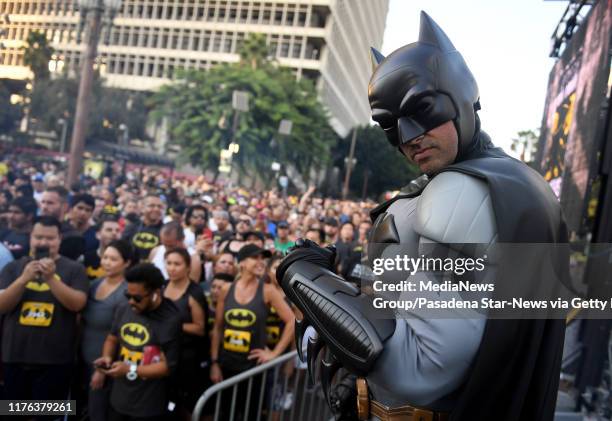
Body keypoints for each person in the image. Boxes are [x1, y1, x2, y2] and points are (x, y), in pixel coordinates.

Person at [276, 12, 568, 421]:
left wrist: (306, 280)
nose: (409, 136)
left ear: (462, 98)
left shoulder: (461, 193)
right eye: (389, 125)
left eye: (422, 109)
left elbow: (423, 367)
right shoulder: (515, 182)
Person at [0, 216, 88, 404]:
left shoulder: (75, 269)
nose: (43, 242)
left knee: (47, 414)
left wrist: (50, 278)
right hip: (14, 356)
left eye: (50, 238)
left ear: (59, 239)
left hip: (56, 360)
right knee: (13, 413)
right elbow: (2, 306)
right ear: (31, 237)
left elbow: (77, 304)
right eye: (38, 237)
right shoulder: (13, 267)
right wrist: (23, 279)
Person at [210, 244, 295, 419]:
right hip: (227, 366)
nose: (260, 262)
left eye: (262, 258)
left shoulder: (268, 291)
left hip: (253, 369)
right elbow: (218, 328)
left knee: (251, 414)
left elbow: (292, 321)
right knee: (226, 413)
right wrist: (214, 362)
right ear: (241, 263)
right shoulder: (227, 289)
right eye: (254, 258)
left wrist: (275, 353)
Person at [94, 263, 181, 421]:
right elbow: (112, 338)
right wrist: (107, 357)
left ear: (156, 293)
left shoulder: (170, 320)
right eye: (128, 295)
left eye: (137, 298)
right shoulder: (124, 308)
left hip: (148, 406)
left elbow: (167, 366)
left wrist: (130, 369)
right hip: (119, 399)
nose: (131, 302)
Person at [82, 240, 133, 421]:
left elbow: (120, 335)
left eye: (113, 259)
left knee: (98, 412)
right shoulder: (94, 284)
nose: (107, 263)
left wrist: (102, 369)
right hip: (82, 358)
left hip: (105, 363)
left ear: (126, 263)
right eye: (105, 258)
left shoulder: (127, 292)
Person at [162, 247, 209, 416]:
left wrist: (173, 325)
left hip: (188, 358)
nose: (172, 268)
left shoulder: (194, 293)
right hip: (165, 353)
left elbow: (200, 328)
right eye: (168, 263)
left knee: (186, 404)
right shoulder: (163, 285)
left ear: (188, 267)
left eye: (177, 264)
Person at [122, 195, 165, 262]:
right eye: (151, 206)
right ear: (142, 208)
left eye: (159, 206)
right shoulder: (131, 228)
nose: (156, 209)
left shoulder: (167, 231)